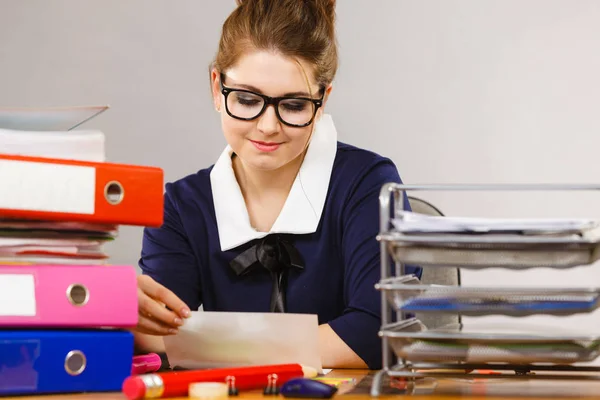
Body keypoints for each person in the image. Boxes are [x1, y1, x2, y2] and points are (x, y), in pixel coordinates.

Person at [134, 0, 421, 370]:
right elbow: (159, 337)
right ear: (216, 85)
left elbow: (377, 331)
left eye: (294, 106)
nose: (268, 125)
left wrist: (206, 345)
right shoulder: (180, 206)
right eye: (247, 99)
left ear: (322, 102)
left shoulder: (368, 186)